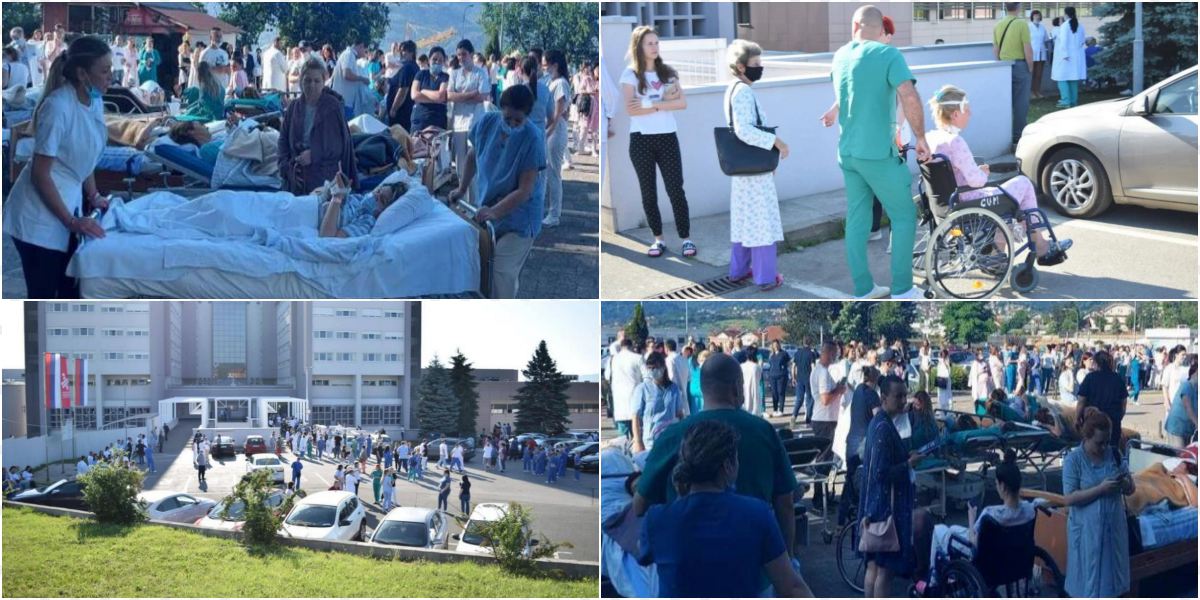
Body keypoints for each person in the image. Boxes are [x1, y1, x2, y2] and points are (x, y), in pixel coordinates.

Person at [634, 353, 799, 566]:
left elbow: (639, 506)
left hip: (686, 570)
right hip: (754, 570)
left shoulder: (672, 436)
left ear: (702, 389)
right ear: (736, 388)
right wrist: (789, 559)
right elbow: (785, 504)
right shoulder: (764, 432)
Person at [638, 419, 814, 597]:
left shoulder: (657, 519)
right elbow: (791, 587)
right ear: (728, 466)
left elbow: (644, 554)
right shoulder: (757, 514)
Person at [830, 6, 930, 300]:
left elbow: (845, 97)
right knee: (903, 216)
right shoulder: (889, 55)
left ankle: (864, 288)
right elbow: (909, 95)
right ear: (877, 27)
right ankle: (902, 288)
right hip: (878, 154)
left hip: (848, 153)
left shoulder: (840, 56)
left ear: (856, 26)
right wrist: (921, 137)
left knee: (858, 219)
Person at [3, 35, 112, 298]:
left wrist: (94, 195)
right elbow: (41, 175)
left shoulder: (94, 101)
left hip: (67, 204)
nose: (112, 77)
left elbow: (85, 157)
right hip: (37, 217)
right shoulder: (58, 107)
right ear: (82, 74)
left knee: (70, 293)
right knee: (44, 296)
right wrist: (71, 220)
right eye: (105, 71)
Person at [924, 85, 1070, 262]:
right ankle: (1038, 244)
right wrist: (982, 172)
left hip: (947, 200)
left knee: (1009, 200)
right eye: (967, 110)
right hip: (969, 199)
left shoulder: (931, 138)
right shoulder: (955, 141)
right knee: (1023, 184)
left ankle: (1000, 250)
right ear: (956, 114)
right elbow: (976, 181)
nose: (970, 114)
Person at [448, 85, 547, 298]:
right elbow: (473, 156)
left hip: (521, 216)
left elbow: (524, 190)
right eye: (508, 118)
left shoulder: (533, 138)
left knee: (502, 272)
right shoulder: (487, 122)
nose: (511, 124)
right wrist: (462, 188)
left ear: (527, 118)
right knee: (485, 267)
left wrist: (495, 211)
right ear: (500, 109)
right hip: (491, 207)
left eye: (518, 121)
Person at [621, 26, 695, 259]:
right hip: (641, 140)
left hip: (667, 137)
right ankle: (658, 239)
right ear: (639, 47)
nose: (654, 47)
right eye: (649, 43)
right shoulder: (630, 75)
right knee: (649, 193)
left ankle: (686, 239)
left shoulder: (668, 73)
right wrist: (662, 102)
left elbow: (682, 103)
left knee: (675, 189)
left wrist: (652, 104)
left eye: (656, 43)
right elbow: (630, 109)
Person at [721, 39, 790, 291]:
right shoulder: (743, 91)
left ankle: (738, 271)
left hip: (742, 168)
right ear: (741, 66)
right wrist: (776, 143)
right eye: (756, 64)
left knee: (744, 221)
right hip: (754, 171)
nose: (760, 68)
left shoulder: (732, 89)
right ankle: (765, 277)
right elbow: (744, 130)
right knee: (761, 222)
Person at [860, 375, 923, 598]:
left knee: (874, 567)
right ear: (884, 397)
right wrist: (908, 464)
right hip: (886, 509)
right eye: (899, 396)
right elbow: (881, 472)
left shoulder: (881, 423)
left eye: (905, 395)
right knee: (884, 572)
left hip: (876, 507)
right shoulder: (883, 428)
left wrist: (905, 457)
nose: (903, 400)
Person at [1062, 407, 1134, 597]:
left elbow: (1131, 488)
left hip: (1112, 531)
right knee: (1086, 583)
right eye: (1099, 443)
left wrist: (1123, 482)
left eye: (1107, 442)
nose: (1103, 447)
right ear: (1086, 437)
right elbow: (1069, 498)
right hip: (1086, 533)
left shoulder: (1114, 454)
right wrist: (1100, 489)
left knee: (1112, 584)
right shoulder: (1074, 460)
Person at [279, 58, 358, 195]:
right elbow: (283, 140)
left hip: (323, 175)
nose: (312, 85)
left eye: (316, 81)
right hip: (296, 174)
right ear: (301, 81)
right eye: (307, 80)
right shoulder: (294, 107)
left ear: (323, 82)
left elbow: (338, 145)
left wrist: (314, 154)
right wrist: (286, 168)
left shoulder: (332, 107)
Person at [447, 39, 490, 205]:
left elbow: (483, 96)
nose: (461, 58)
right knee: (460, 166)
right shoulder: (454, 74)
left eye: (464, 54)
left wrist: (462, 96)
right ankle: (462, 203)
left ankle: (475, 203)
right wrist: (470, 95)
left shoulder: (480, 73)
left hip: (475, 123)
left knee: (474, 166)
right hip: (458, 124)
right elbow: (449, 95)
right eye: (458, 55)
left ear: (471, 55)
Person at [992, 3, 1033, 146]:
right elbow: (1027, 48)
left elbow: (995, 49)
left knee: (1005, 103)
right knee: (1020, 103)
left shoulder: (998, 25)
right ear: (1018, 7)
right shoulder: (1022, 24)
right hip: (1020, 66)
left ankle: (1003, 134)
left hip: (1003, 66)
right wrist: (1030, 67)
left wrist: (999, 65)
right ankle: (1018, 135)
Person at [631, 351, 686, 453]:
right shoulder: (642, 389)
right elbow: (635, 417)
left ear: (663, 367)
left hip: (671, 440)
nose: (652, 371)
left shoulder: (673, 389)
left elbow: (680, 414)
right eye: (650, 368)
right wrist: (638, 441)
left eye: (655, 368)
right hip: (650, 442)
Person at [1076, 350, 1128, 452]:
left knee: (1092, 452)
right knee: (1112, 452)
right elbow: (1124, 402)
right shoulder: (1117, 378)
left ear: (1096, 363)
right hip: (1113, 422)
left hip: (1093, 421)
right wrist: (1119, 417)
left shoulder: (1090, 378)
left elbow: (1081, 401)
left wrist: (1077, 418)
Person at [1051, 6, 1086, 109]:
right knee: (1073, 79)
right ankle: (1073, 101)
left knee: (1061, 78)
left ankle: (1065, 101)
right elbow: (1082, 41)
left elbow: (1063, 41)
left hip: (1065, 57)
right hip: (1076, 57)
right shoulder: (1080, 25)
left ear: (1066, 14)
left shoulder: (1065, 26)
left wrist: (1065, 54)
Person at [810, 341, 846, 441]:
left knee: (823, 454)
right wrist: (838, 390)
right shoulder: (823, 372)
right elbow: (825, 399)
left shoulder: (818, 370)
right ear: (830, 353)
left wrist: (836, 388)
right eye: (835, 353)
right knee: (825, 455)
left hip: (823, 419)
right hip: (825, 421)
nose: (836, 356)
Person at [410, 46, 449, 131]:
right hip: (419, 121)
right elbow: (414, 95)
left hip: (438, 122)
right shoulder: (420, 74)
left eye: (440, 60)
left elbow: (440, 96)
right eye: (434, 59)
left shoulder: (445, 77)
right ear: (429, 60)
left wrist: (423, 92)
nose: (437, 62)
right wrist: (435, 98)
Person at [1164, 355, 1198, 447]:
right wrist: (1197, 424)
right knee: (1178, 457)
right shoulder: (1187, 386)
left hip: (1187, 429)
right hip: (1177, 428)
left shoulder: (1196, 388)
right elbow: (1188, 407)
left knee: (1187, 456)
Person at [386, 40, 419, 130]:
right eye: (400, 50)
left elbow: (403, 90)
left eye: (404, 50)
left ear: (411, 52)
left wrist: (394, 108)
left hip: (401, 112)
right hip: (408, 109)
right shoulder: (415, 67)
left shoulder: (407, 68)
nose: (401, 53)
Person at [791, 339, 817, 426]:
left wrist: (793, 377)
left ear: (803, 343)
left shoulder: (797, 353)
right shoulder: (811, 354)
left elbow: (793, 366)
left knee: (799, 399)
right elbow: (813, 366)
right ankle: (808, 419)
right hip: (808, 379)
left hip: (799, 379)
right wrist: (815, 379)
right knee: (810, 399)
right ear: (810, 344)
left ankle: (794, 416)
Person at [1028, 10, 1048, 98]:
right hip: (1032, 53)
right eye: (1035, 15)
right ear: (1032, 16)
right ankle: (1031, 92)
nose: (1037, 17)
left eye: (1039, 15)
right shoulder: (1028, 26)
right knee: (1031, 74)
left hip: (1041, 53)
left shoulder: (1043, 27)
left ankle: (1037, 91)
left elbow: (1046, 39)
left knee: (1039, 74)